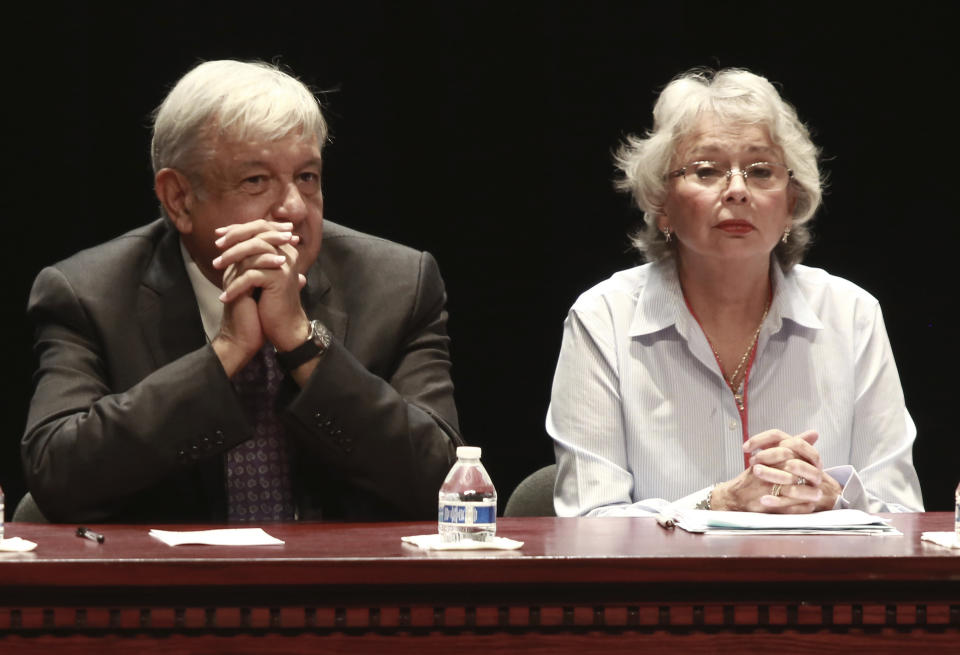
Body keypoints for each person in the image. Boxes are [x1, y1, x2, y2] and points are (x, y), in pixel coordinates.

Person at [22, 60, 462, 523]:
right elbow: (58, 479)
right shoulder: (89, 295)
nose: (293, 208)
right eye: (256, 180)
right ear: (179, 199)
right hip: (168, 589)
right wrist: (226, 353)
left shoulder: (397, 285)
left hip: (349, 590)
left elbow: (443, 483)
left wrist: (302, 344)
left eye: (307, 178)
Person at [546, 68, 922, 517]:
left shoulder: (852, 314)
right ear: (662, 203)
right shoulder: (603, 318)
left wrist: (833, 500)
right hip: (664, 589)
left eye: (761, 171)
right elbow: (589, 523)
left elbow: (902, 516)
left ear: (791, 204)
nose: (739, 190)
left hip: (816, 585)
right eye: (707, 170)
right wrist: (716, 503)